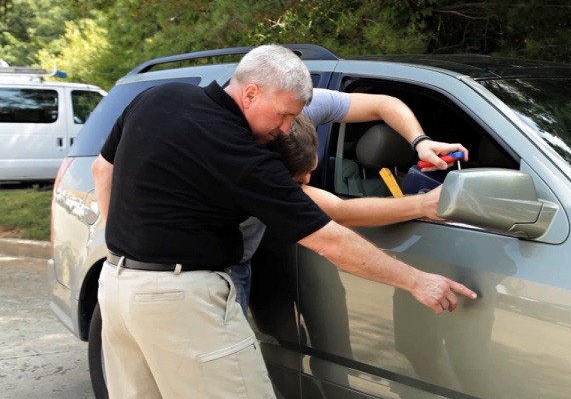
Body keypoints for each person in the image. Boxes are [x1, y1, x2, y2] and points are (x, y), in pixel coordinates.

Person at [92, 44, 477, 399]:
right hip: (181, 301)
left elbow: (102, 169)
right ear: (251, 93)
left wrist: (121, 251)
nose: (288, 128)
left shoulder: (159, 98)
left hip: (117, 289)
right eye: (285, 115)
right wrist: (417, 280)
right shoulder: (242, 156)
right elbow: (329, 239)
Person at [228, 87, 469, 314]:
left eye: (313, 167)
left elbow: (383, 103)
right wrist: (422, 204)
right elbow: (339, 212)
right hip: (226, 261)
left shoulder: (300, 107)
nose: (310, 179)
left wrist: (421, 142)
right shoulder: (255, 172)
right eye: (301, 180)